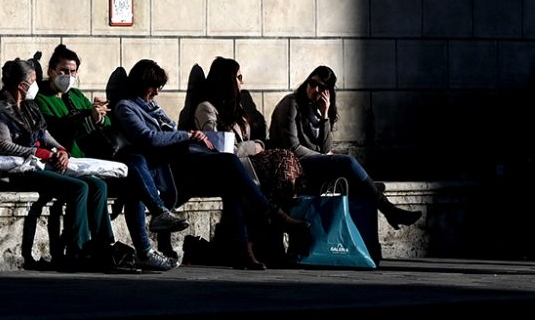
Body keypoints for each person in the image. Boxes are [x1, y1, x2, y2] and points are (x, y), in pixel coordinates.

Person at [113, 59, 310, 270]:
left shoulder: (154, 108)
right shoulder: (126, 107)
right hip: (168, 170)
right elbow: (148, 138)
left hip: (180, 164)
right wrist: (187, 135)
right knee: (230, 162)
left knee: (232, 179)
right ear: (142, 85)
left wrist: (184, 136)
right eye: (154, 87)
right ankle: (272, 214)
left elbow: (168, 133)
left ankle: (243, 249)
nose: (157, 93)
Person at [35, 44, 185, 270]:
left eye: (73, 72)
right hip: (71, 160)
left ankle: (143, 238)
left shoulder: (76, 95)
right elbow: (54, 130)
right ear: (51, 71)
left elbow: (104, 124)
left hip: (94, 158)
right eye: (63, 71)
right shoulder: (41, 99)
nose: (68, 76)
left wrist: (98, 115)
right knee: (121, 178)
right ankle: (149, 224)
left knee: (135, 169)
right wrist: (86, 116)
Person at [0, 57, 128, 272]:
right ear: (22, 85)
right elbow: (3, 146)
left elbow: (45, 135)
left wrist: (60, 151)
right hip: (22, 170)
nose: (35, 84)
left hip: (43, 164)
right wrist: (38, 152)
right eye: (32, 80)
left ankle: (103, 245)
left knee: (99, 185)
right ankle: (77, 250)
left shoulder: (30, 108)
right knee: (80, 187)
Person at [268, 65, 422, 230]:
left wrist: (325, 115)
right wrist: (324, 157)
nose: (315, 89)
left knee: (361, 184)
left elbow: (325, 146)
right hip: (294, 164)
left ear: (328, 92)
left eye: (321, 87)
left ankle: (366, 243)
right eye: (312, 83)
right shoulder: (291, 103)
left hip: (313, 163)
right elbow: (293, 147)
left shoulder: (318, 109)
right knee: (348, 163)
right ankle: (390, 211)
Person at [188, 57, 302, 207]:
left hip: (247, 161)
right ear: (228, 79)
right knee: (282, 159)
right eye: (239, 77)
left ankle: (286, 210)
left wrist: (258, 144)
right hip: (230, 165)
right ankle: (280, 214)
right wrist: (252, 147)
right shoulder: (206, 108)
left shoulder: (236, 108)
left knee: (287, 159)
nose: (242, 82)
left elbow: (252, 138)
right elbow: (217, 148)